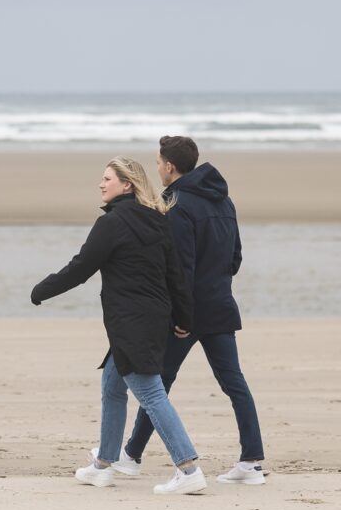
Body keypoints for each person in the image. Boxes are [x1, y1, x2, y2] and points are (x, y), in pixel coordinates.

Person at [31, 156, 207, 495]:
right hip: (152, 318)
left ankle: (188, 468)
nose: (101, 184)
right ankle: (102, 466)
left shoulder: (112, 224)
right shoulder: (158, 219)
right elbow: (177, 276)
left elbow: (81, 268)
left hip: (130, 322)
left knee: (152, 394)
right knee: (112, 387)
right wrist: (184, 318)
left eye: (108, 178)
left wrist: (42, 290)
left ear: (127, 184)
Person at [109, 136, 267, 485]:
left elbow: (180, 268)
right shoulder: (224, 201)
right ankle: (252, 462)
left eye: (158, 162)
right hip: (221, 305)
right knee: (233, 382)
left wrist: (182, 316)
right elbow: (235, 257)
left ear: (169, 166)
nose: (157, 168)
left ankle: (131, 455)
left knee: (157, 384)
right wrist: (217, 286)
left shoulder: (176, 203)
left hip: (190, 311)